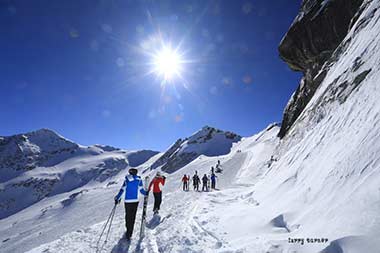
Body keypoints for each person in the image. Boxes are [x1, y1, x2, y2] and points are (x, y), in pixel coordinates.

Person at [114, 168, 148, 241]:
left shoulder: (126, 180)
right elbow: (141, 191)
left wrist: (117, 198)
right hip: (135, 201)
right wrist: (146, 193)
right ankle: (130, 232)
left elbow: (122, 190)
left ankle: (128, 232)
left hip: (128, 202)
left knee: (128, 216)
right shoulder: (139, 180)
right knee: (133, 217)